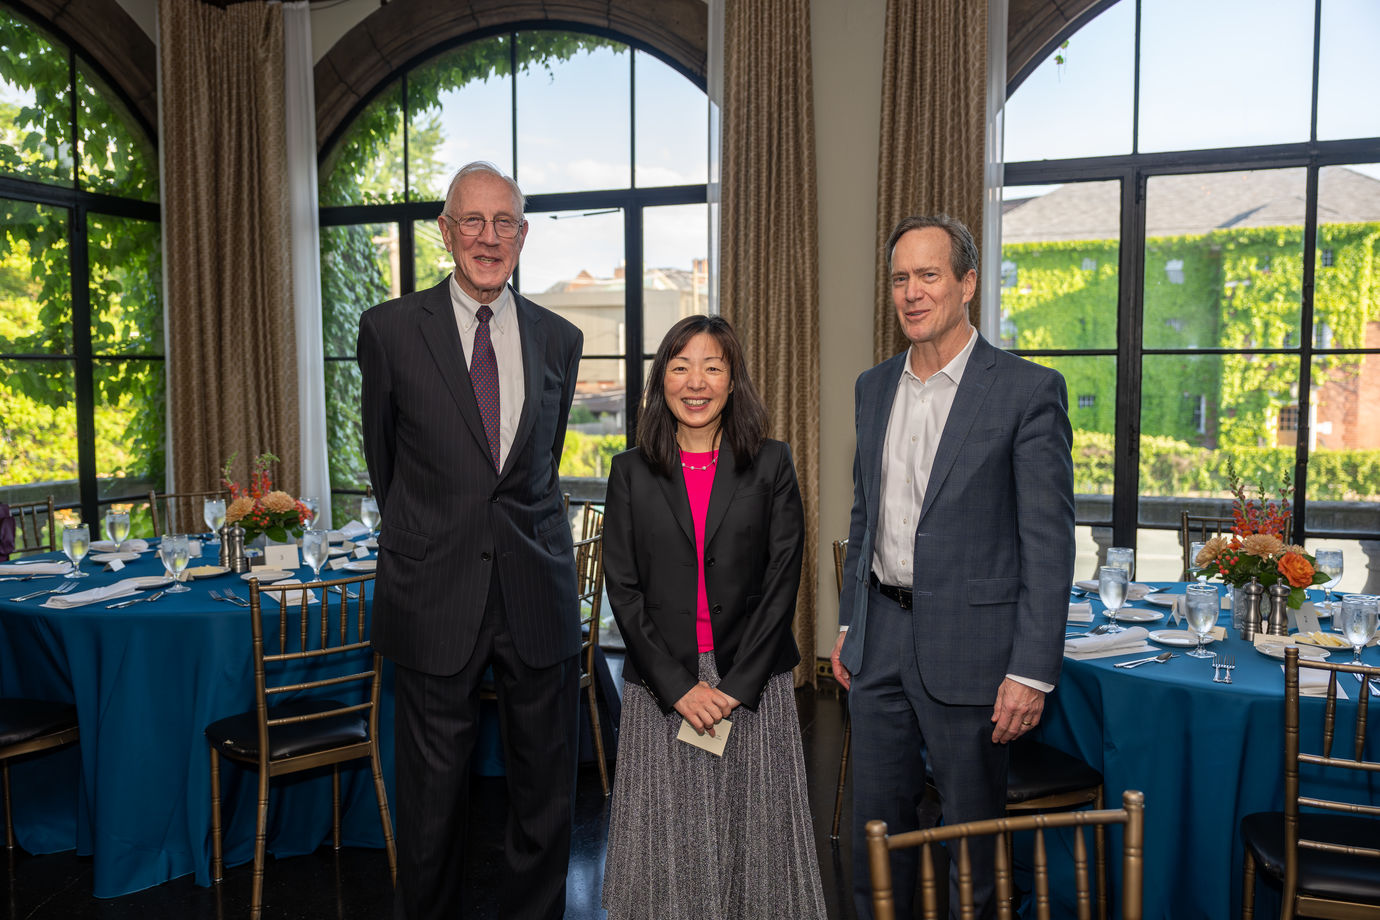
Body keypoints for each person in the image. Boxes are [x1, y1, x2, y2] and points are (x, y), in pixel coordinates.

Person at [830, 214, 1075, 919]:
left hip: (976, 653)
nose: (912, 292)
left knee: (972, 847)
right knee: (878, 838)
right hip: (878, 642)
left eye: (928, 275)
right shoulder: (873, 387)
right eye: (901, 278)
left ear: (967, 282)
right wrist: (850, 619)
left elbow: (1048, 545)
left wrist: (1030, 671)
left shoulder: (1027, 391)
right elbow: (863, 515)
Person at [357, 161, 584, 920]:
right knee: (430, 803)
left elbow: (537, 463)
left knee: (546, 790)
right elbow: (385, 465)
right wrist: (436, 534)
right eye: (474, 222)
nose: (489, 238)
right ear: (446, 231)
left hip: (537, 586)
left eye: (505, 222)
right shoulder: (390, 330)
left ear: (523, 234)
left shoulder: (560, 337)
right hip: (433, 591)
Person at [601, 314, 827, 920]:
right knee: (668, 850)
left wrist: (733, 689)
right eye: (679, 367)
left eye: (711, 366)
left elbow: (784, 581)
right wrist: (679, 689)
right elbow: (622, 590)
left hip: (751, 684)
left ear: (733, 381)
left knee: (755, 846)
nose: (695, 381)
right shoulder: (629, 472)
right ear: (661, 381)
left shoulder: (772, 463)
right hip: (662, 685)